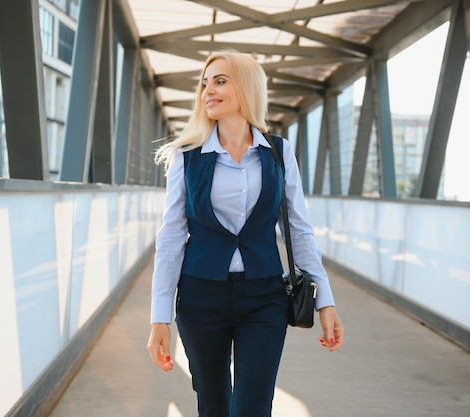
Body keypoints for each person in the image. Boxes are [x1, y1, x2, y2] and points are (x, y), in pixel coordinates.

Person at [146, 48, 344, 417]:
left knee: (253, 407)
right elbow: (171, 238)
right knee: (214, 404)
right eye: (205, 83)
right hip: (200, 296)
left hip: (264, 296)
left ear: (247, 87)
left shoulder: (278, 153)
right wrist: (160, 317)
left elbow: (299, 231)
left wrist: (325, 299)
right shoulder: (186, 157)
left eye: (220, 81)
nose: (208, 90)